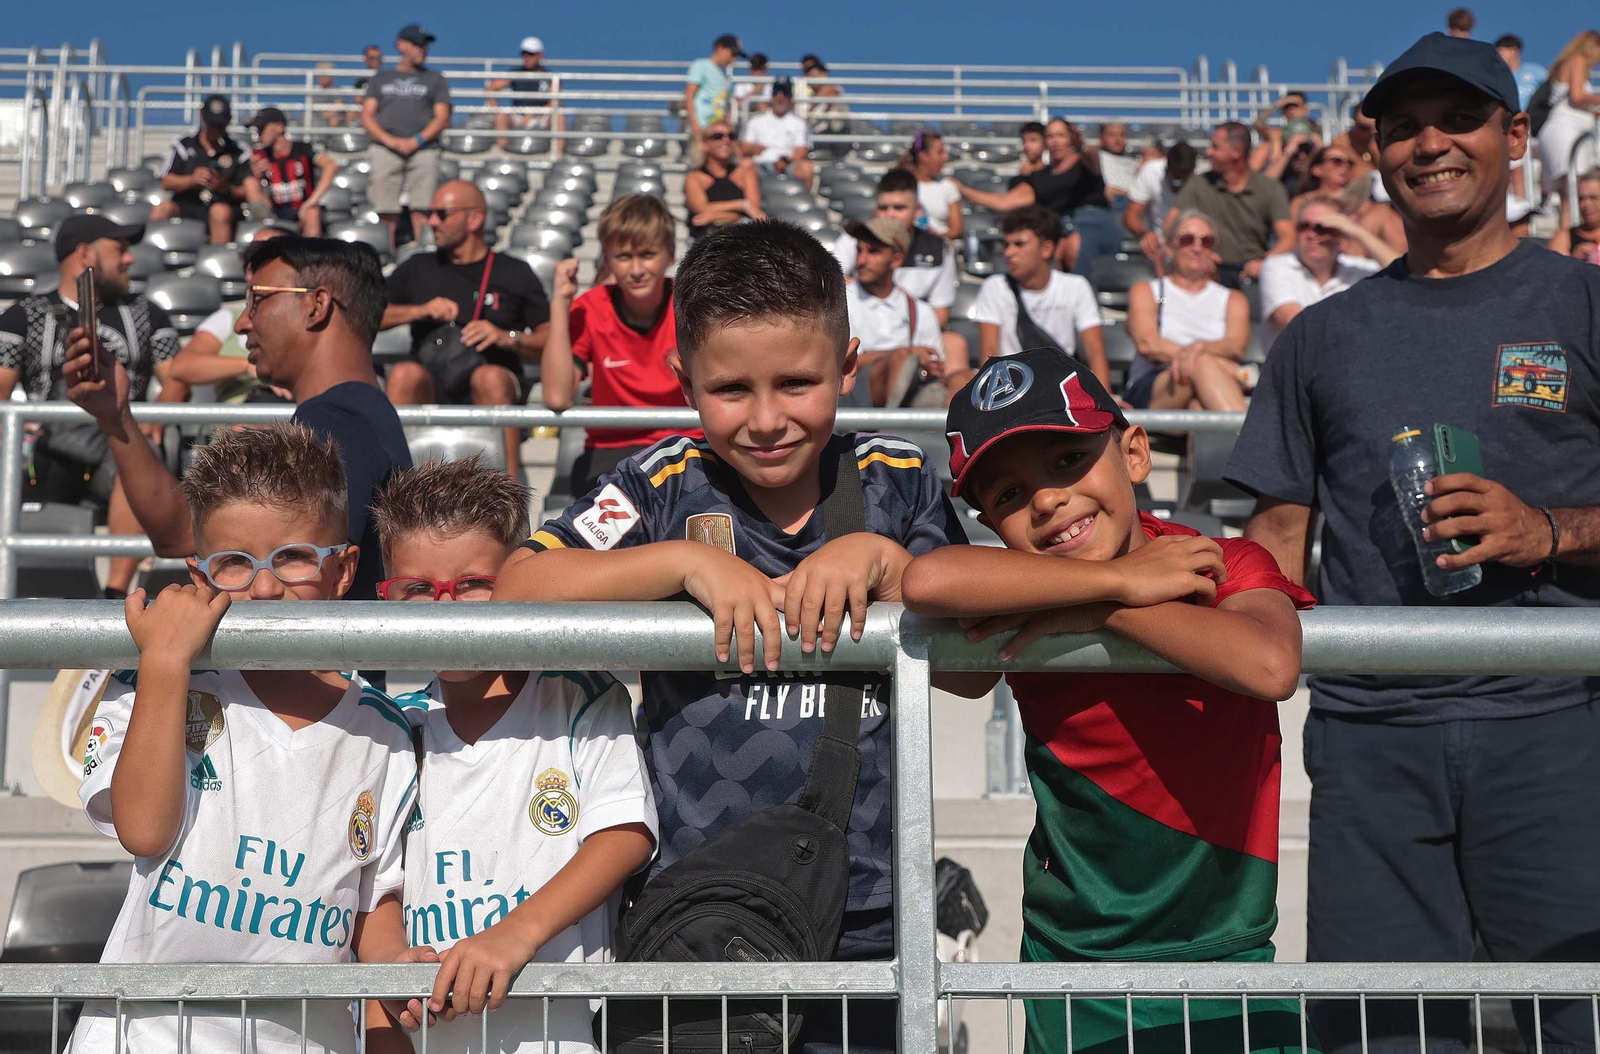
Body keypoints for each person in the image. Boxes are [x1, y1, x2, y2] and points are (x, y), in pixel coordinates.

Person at [495, 219, 970, 1054]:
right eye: (729, 390)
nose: (765, 420)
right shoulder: (660, 485)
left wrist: (889, 565)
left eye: (796, 383)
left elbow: (973, 674)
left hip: (865, 910)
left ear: (849, 365)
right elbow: (520, 586)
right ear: (683, 380)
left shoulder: (898, 483)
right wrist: (680, 563)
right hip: (691, 910)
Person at [1224, 33, 1600, 1054]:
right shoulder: (1318, 337)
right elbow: (1272, 541)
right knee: (1377, 1032)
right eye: (1401, 125)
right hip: (1369, 742)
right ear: (1376, 150)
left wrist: (1548, 531)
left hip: (1561, 729)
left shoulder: (1582, 303)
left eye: (1458, 117)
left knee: (1579, 1023)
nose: (1427, 142)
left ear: (1516, 135)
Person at [902, 347, 1315, 1054]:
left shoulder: (1220, 560)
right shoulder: (1021, 586)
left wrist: (1092, 609)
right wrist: (1116, 587)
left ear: (1134, 451)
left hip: (1229, 957)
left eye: (1067, 462)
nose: (1046, 500)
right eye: (1007, 496)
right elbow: (927, 582)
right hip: (1074, 964)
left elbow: (1271, 664)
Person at [65, 422, 423, 1054]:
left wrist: (400, 972)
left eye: (292, 557)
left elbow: (370, 911)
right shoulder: (155, 679)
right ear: (199, 576)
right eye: (234, 565)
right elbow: (144, 831)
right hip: (145, 1037)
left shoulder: (388, 733)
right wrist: (167, 663)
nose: (263, 588)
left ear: (342, 570)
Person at [370, 455, 658, 1043]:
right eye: (419, 589)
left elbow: (624, 834)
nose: (446, 608)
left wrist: (515, 935)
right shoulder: (400, 727)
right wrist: (391, 965)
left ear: (521, 576)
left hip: (562, 1032)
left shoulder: (581, 698)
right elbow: (377, 889)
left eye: (474, 584)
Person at [62, 236, 411, 620]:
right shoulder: (356, 414)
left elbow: (181, 535)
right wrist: (116, 417)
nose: (244, 322)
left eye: (257, 299)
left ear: (317, 305)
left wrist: (117, 419)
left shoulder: (333, 423)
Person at [0, 216, 185, 600]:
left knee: (136, 454)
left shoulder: (146, 312)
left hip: (122, 434)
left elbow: (176, 377)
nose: (130, 260)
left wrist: (159, 416)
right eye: (119, 249)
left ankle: (114, 593)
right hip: (47, 446)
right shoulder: (23, 315)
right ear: (84, 254)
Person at [381, 180, 551, 480]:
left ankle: (509, 496)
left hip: (493, 383)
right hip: (430, 382)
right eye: (430, 213)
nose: (431, 222)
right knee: (404, 374)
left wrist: (508, 338)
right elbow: (369, 314)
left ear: (474, 219)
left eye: (441, 214)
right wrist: (419, 311)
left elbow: (550, 337)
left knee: (490, 378)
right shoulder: (418, 266)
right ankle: (393, 491)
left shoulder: (513, 272)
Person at [540, 194, 701, 497]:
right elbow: (558, 397)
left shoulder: (692, 304)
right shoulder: (590, 308)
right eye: (624, 257)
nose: (636, 269)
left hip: (686, 442)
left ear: (670, 254)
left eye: (647, 254)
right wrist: (560, 303)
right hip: (612, 449)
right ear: (607, 259)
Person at [953, 118, 1117, 273]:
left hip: (1093, 222)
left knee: (1073, 245)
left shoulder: (1084, 164)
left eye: (1061, 135)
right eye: (1050, 136)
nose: (1055, 141)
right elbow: (1006, 202)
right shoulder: (1040, 177)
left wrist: (1081, 145)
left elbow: (1093, 159)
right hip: (1060, 228)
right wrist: (964, 191)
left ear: (1070, 138)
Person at [1124, 211, 1251, 411]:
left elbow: (1235, 346)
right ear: (1169, 248)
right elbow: (1147, 344)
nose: (1196, 248)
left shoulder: (1233, 299)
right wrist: (1202, 358)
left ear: (1214, 251)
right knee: (1200, 365)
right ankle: (1246, 437)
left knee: (1197, 407)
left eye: (1205, 241)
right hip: (1155, 385)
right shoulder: (1147, 291)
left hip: (1210, 387)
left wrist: (1199, 349)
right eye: (1187, 240)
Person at [972, 205, 1110, 388]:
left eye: (1019, 244)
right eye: (1006, 245)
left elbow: (1095, 349)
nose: (1008, 252)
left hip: (1061, 386)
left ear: (1046, 249)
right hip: (1012, 388)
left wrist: (1106, 403)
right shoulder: (995, 287)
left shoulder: (1076, 287)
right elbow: (989, 353)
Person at [168, 225, 293, 405]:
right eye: (251, 253)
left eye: (265, 254)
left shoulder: (306, 319)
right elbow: (182, 367)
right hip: (238, 422)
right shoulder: (227, 318)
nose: (253, 261)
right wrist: (247, 366)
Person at [844, 217, 961, 406]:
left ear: (897, 259)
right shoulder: (842, 301)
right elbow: (840, 363)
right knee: (901, 359)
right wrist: (905, 354)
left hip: (910, 387)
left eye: (873, 251)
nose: (861, 260)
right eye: (859, 250)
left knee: (962, 379)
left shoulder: (921, 310)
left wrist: (928, 367)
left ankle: (946, 432)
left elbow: (936, 364)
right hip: (854, 393)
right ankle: (895, 430)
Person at [1166, 121, 1295, 287]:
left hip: (1253, 273)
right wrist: (1201, 252)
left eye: (1215, 147)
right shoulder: (1199, 184)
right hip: (1211, 272)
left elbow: (1288, 238)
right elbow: (1171, 225)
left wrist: (1265, 262)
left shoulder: (1269, 188)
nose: (1208, 152)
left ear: (1236, 152)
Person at [831, 169, 961, 330]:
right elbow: (829, 278)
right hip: (861, 328)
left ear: (918, 210)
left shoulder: (939, 250)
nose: (890, 215)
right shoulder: (854, 238)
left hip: (915, 333)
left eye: (899, 208)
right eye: (883, 208)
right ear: (875, 210)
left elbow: (940, 317)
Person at [360, 23, 452, 250]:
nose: (423, 49)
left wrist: (416, 141)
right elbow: (367, 116)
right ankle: (385, 257)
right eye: (418, 45)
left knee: (423, 208)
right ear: (401, 45)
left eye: (425, 45)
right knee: (385, 210)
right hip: (385, 148)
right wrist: (389, 140)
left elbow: (442, 117)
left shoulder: (435, 79)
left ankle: (423, 256)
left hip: (424, 149)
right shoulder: (381, 79)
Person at [1258, 195, 1390, 344]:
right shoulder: (1277, 266)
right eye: (1303, 226)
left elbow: (1408, 276)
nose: (1311, 234)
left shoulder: (1357, 268)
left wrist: (1359, 232)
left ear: (1341, 233)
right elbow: (1295, 322)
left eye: (1322, 228)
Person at [151, 94, 269, 244]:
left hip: (224, 206)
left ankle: (217, 260)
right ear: (202, 116)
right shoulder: (184, 145)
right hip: (188, 205)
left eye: (220, 125)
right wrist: (191, 180)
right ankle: (146, 260)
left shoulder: (239, 152)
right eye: (211, 123)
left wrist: (224, 188)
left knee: (219, 211)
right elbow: (166, 181)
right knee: (162, 209)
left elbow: (247, 191)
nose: (215, 129)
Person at [1536, 31, 1600, 224]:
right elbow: (1578, 96)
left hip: (1566, 130)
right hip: (1566, 130)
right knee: (1573, 188)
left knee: (1569, 193)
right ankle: (1568, 237)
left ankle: (1566, 236)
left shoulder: (1567, 64)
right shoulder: (1578, 59)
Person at [247, 107, 338, 237]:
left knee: (312, 213)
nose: (259, 133)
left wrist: (311, 202)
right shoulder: (260, 156)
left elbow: (331, 166)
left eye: (263, 128)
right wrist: (257, 176)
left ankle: (311, 255)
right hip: (276, 215)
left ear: (279, 127)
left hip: (304, 210)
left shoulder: (303, 149)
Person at [686, 118, 764, 240]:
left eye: (731, 136)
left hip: (742, 240)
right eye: (718, 136)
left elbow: (755, 211)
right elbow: (701, 212)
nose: (726, 140)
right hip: (706, 240)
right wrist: (741, 206)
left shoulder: (745, 172)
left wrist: (714, 216)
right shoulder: (694, 177)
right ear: (705, 144)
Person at [1125, 140, 1197, 265]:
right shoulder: (1150, 171)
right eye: (1175, 179)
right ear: (1167, 168)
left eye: (1183, 181)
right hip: (1158, 246)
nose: (1177, 185)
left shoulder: (1202, 180)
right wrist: (1144, 234)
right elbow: (1131, 215)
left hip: (1193, 243)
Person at [740, 78, 815, 190]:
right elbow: (745, 147)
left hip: (788, 164)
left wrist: (785, 161)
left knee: (806, 167)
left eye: (785, 93)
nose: (780, 97)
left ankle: (805, 204)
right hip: (760, 164)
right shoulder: (755, 121)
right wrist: (755, 148)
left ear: (790, 97)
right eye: (776, 92)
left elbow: (801, 151)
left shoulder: (799, 123)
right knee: (745, 165)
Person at [685, 34, 744, 163]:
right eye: (732, 53)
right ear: (720, 48)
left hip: (720, 133)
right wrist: (695, 125)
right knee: (699, 165)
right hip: (702, 129)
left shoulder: (727, 79)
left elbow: (726, 106)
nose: (733, 59)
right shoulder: (701, 65)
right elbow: (689, 95)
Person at [488, 35, 556, 144]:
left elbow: (555, 102)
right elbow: (491, 89)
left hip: (541, 117)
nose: (527, 57)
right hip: (517, 116)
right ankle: (502, 154)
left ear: (540, 55)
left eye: (531, 54)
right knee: (501, 116)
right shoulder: (516, 74)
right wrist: (496, 110)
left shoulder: (550, 77)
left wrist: (533, 114)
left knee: (558, 117)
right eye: (524, 54)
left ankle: (556, 154)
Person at [906, 129, 963, 239]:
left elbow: (956, 230)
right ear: (924, 156)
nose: (946, 157)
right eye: (940, 152)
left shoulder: (948, 186)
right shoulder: (903, 185)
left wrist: (934, 238)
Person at [1547, 167, 1600, 260]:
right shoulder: (1564, 238)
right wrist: (1574, 261)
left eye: (1593, 197)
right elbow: (1554, 271)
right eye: (1581, 198)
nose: (1586, 204)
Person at [1089, 121, 1140, 209]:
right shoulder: (1095, 159)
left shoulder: (1136, 164)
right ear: (1101, 139)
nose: (1117, 139)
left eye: (1121, 135)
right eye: (1112, 135)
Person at [1495, 33, 1548, 111]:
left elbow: (1551, 89)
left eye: (1501, 52)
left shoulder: (1537, 71)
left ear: (1515, 51)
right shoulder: (1497, 77)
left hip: (1534, 119)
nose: (1498, 57)